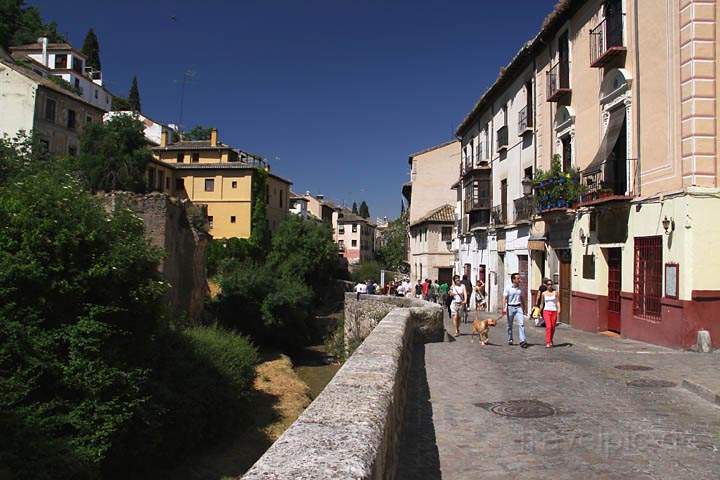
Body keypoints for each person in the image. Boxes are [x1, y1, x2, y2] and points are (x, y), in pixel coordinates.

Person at [503, 273, 527, 348]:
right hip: (510, 307)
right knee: (509, 325)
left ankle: (522, 341)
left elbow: (522, 298)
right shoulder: (508, 287)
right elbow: (504, 298)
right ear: (513, 280)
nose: (520, 280)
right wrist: (504, 308)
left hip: (518, 307)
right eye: (518, 278)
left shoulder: (521, 288)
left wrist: (524, 307)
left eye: (519, 278)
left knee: (521, 324)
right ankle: (510, 338)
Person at [540, 278, 561, 348]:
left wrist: (559, 309)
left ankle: (551, 339)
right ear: (546, 285)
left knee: (553, 327)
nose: (550, 286)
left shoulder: (555, 292)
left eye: (551, 284)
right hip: (546, 311)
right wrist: (539, 311)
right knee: (548, 326)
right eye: (548, 284)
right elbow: (542, 304)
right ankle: (548, 342)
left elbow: (558, 301)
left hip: (554, 311)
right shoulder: (543, 294)